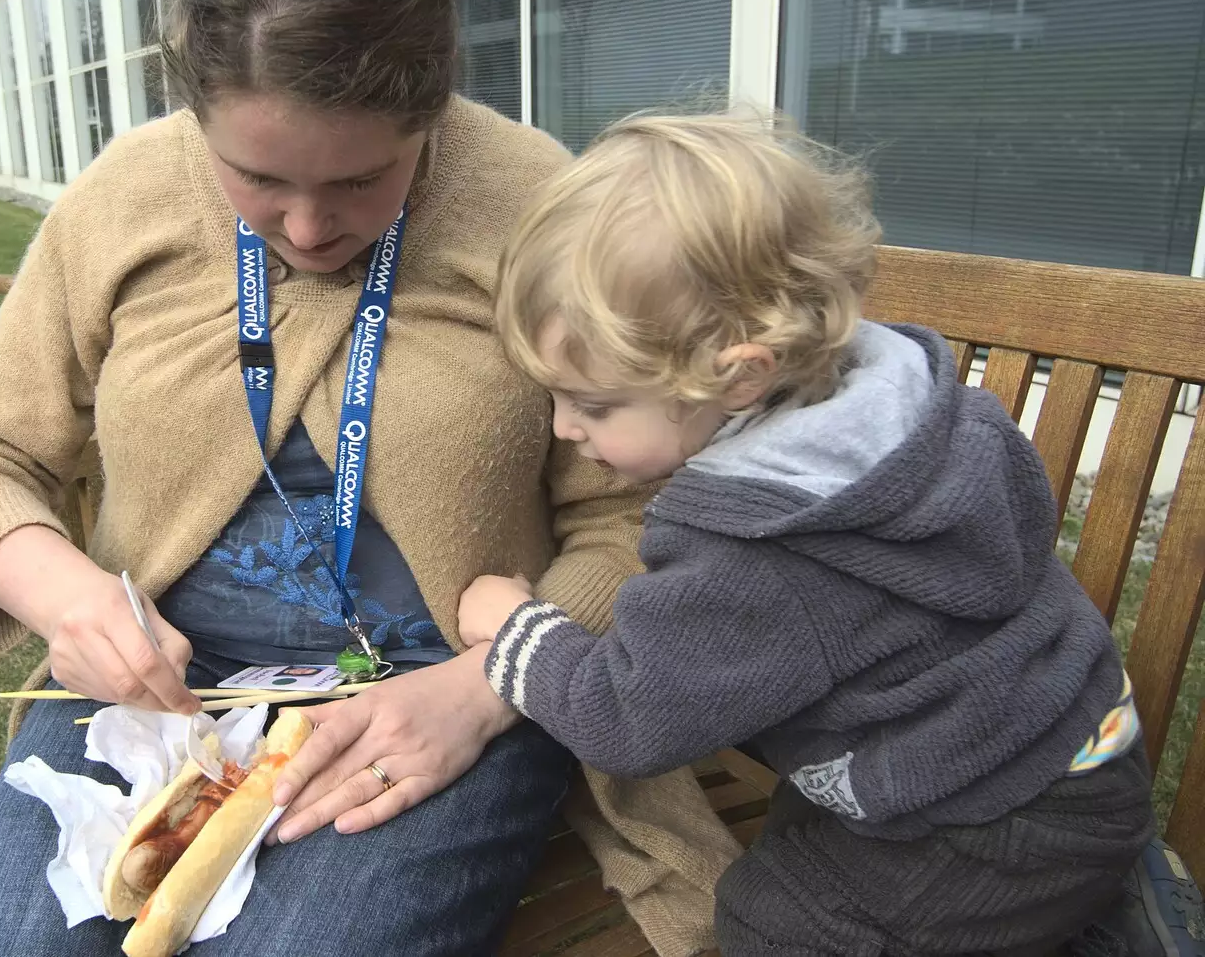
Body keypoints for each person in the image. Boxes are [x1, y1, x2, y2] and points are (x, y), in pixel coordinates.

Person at [0, 0, 739, 954]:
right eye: (255, 178)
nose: (306, 229)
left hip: (428, 703)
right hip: (154, 702)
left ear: (433, 106)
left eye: (358, 181)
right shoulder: (125, 197)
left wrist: (484, 691)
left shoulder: (537, 204)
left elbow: (637, 520)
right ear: (196, 111)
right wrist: (63, 596)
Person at [458, 112, 1173, 955]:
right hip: (1061, 754)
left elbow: (630, 715)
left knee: (775, 917)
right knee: (808, 843)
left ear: (737, 376)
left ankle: (1095, 931)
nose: (565, 428)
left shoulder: (767, 553)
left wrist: (517, 633)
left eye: (595, 403)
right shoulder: (908, 413)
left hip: (990, 827)